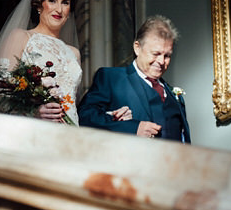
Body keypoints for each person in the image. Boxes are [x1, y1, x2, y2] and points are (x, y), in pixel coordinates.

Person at [79, 15, 191, 143]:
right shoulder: (111, 78)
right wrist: (133, 128)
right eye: (156, 54)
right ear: (137, 47)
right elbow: (84, 117)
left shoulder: (175, 96)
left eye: (167, 56)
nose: (161, 61)